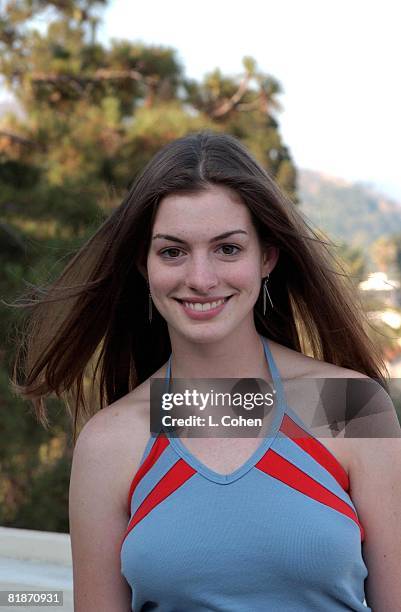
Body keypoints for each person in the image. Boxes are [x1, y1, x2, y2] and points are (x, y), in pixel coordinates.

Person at [10, 131, 401, 611]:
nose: (200, 278)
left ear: (268, 257)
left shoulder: (346, 407)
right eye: (172, 251)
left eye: (228, 249)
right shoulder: (112, 442)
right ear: (144, 264)